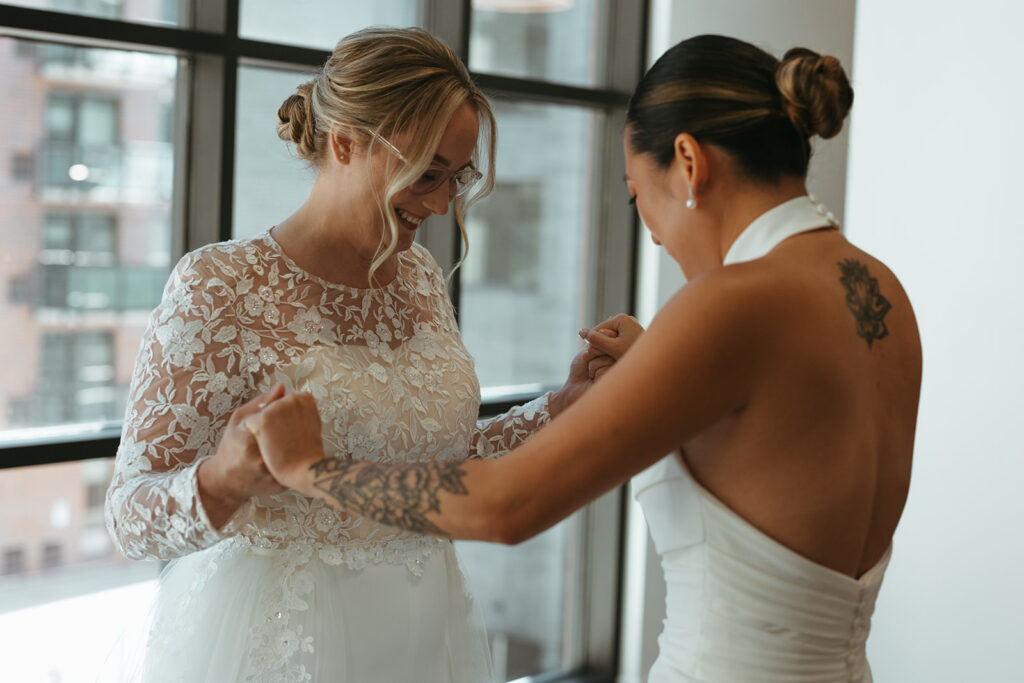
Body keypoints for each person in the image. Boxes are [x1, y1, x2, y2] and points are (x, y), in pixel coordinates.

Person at [248, 34, 923, 682]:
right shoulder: (880, 289)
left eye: (637, 196)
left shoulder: (728, 303)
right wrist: (660, 367)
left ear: (688, 161)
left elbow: (506, 508)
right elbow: (777, 452)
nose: (652, 234)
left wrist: (315, 468)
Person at [104, 26, 613, 682]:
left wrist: (561, 408)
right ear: (344, 140)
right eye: (426, 174)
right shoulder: (220, 285)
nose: (439, 204)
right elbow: (128, 514)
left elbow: (437, 463)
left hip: (424, 633)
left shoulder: (423, 278)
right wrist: (225, 476)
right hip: (290, 641)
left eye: (456, 178)